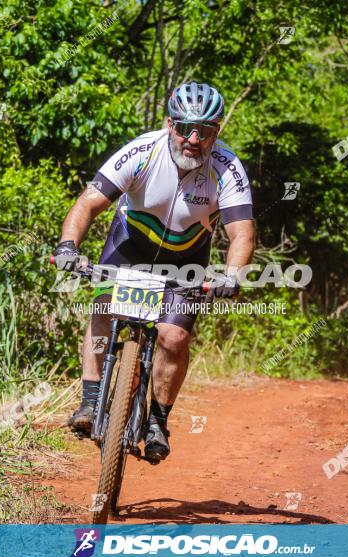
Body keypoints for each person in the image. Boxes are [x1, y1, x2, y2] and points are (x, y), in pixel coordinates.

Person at [53, 82, 256, 461]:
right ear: (169, 124)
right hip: (129, 247)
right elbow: (87, 205)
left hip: (185, 259)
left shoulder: (227, 168)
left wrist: (232, 275)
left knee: (174, 337)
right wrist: (68, 246)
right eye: (184, 128)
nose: (193, 139)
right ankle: (90, 399)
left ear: (217, 132)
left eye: (205, 131)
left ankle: (158, 421)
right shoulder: (142, 151)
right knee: (103, 309)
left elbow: (242, 232)